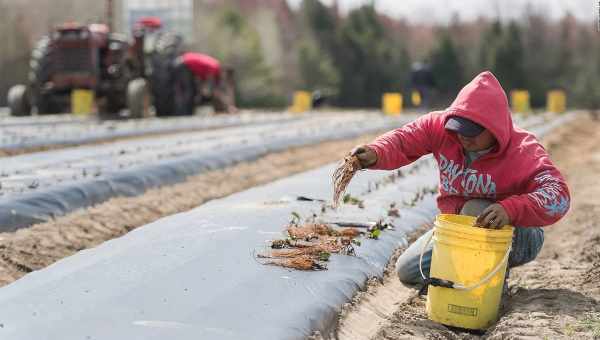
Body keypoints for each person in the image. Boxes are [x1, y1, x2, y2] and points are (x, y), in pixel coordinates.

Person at [350, 71, 570, 288]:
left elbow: (558, 195)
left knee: (474, 209)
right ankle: (461, 277)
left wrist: (510, 209)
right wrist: (376, 152)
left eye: (472, 132)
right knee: (408, 270)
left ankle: (487, 284)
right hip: (459, 232)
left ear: (495, 128)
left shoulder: (523, 150)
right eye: (458, 128)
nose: (463, 136)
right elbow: (403, 140)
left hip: (516, 235)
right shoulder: (441, 129)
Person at [171, 52, 237, 115]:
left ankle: (186, 112)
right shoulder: (215, 67)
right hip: (183, 63)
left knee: (191, 91)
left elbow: (205, 83)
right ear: (224, 71)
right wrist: (227, 105)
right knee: (188, 92)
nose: (224, 79)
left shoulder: (216, 71)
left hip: (184, 63)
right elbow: (211, 88)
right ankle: (183, 113)